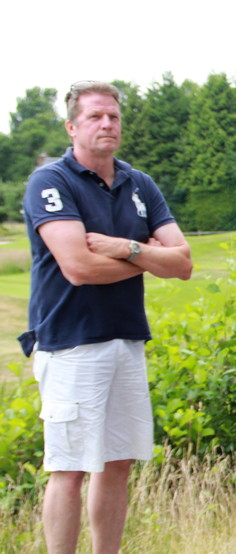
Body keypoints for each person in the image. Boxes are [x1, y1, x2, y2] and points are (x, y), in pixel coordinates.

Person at [18, 81, 193, 553]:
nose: (107, 124)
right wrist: (149, 257)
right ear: (72, 127)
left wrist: (124, 247)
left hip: (126, 339)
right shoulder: (51, 181)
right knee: (69, 467)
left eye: (113, 116)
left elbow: (183, 263)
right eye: (95, 116)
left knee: (118, 463)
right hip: (71, 343)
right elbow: (78, 267)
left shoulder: (139, 183)